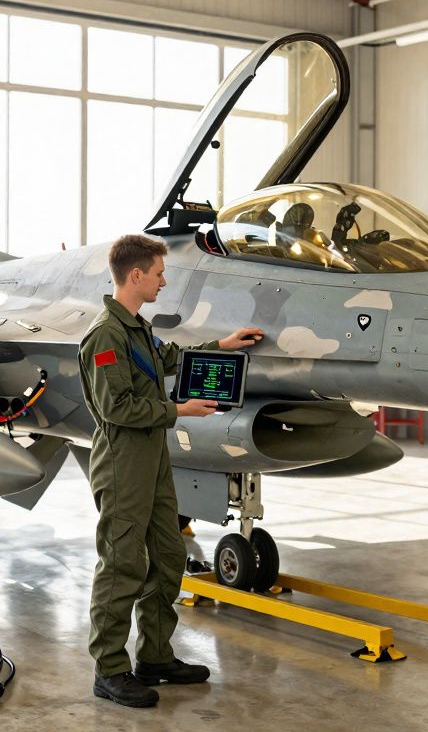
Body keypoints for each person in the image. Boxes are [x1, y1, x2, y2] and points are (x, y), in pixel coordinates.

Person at [79, 234, 263, 708]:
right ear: (135, 275)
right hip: (123, 463)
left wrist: (221, 345)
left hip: (153, 460)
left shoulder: (136, 328)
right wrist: (179, 410)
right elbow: (117, 407)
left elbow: (169, 358)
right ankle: (110, 668)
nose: (164, 281)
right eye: (159, 273)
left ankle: (155, 657)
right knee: (122, 566)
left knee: (167, 556)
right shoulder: (105, 335)